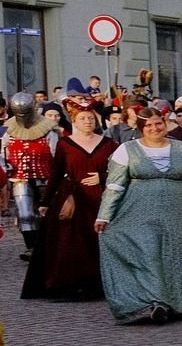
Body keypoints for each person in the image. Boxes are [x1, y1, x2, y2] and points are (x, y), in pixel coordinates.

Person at [94, 105, 182, 324]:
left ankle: (180, 302)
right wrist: (104, 216)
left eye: (158, 123)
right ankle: (155, 302)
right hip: (140, 213)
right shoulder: (127, 150)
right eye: (148, 125)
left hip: (181, 214)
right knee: (148, 253)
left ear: (165, 123)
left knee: (177, 257)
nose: (154, 128)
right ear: (141, 128)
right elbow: (115, 186)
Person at [23, 101, 112, 300]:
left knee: (98, 241)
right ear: (74, 121)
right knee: (70, 243)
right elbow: (56, 173)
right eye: (83, 118)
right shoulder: (65, 144)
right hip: (73, 199)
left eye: (91, 118)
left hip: (100, 198)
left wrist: (102, 177)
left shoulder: (108, 144)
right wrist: (46, 201)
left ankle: (99, 285)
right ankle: (71, 285)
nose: (88, 121)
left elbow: (120, 170)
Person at [4, 92, 53, 261]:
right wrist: (6, 166)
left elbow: (56, 153)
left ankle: (46, 246)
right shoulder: (9, 130)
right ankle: (31, 247)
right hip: (20, 176)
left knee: (44, 213)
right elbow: (2, 151)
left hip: (45, 176)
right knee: (25, 213)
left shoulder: (48, 130)